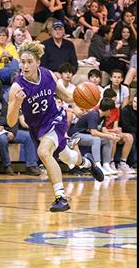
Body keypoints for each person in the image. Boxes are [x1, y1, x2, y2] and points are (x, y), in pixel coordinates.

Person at [7, 40, 104, 212]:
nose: (25, 66)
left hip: (55, 119)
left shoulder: (48, 75)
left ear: (38, 62)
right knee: (68, 158)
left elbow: (65, 96)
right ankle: (89, 163)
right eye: (22, 62)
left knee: (43, 153)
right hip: (37, 129)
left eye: (29, 62)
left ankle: (61, 198)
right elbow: (10, 122)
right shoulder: (17, 87)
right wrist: (16, 103)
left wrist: (80, 103)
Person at [0, 79, 40, 175]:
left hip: (8, 130)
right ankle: (7, 166)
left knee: (28, 136)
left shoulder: (4, 103)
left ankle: (31, 166)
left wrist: (11, 131)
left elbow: (13, 117)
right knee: (2, 139)